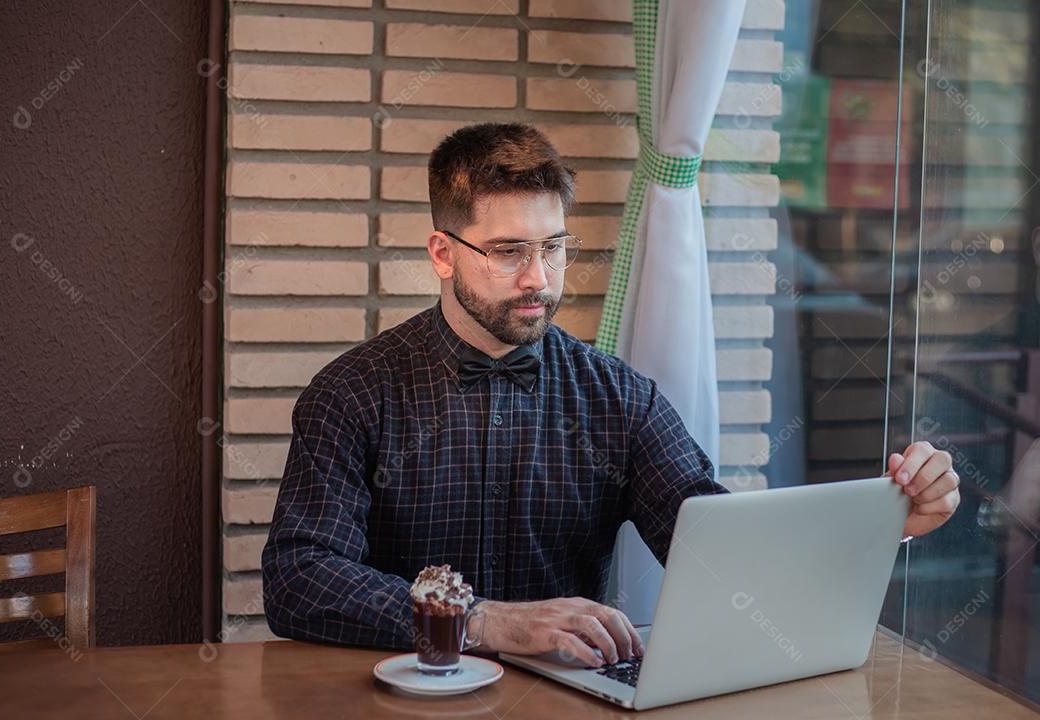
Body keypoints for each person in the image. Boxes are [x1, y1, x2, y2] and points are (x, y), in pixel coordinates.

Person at [261, 123, 961, 669]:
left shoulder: (620, 398)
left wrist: (883, 522)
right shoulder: (352, 394)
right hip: (403, 702)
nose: (539, 278)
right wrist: (483, 619)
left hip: (570, 701)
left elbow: (717, 547)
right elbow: (299, 580)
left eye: (555, 246)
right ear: (443, 253)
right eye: (508, 251)